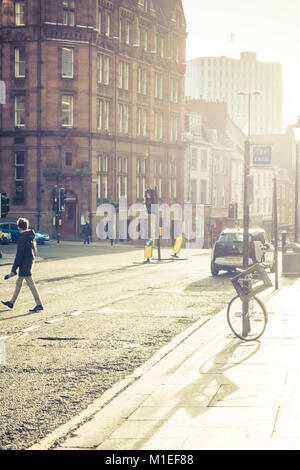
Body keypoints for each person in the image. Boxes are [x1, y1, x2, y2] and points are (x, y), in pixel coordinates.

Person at [1, 218, 43, 312]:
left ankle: (39, 304)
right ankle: (11, 302)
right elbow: (34, 251)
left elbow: (19, 256)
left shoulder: (22, 238)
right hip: (29, 262)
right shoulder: (30, 236)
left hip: (24, 264)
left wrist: (13, 269)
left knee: (30, 283)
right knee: (18, 283)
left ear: (19, 227)